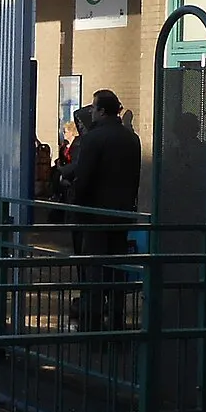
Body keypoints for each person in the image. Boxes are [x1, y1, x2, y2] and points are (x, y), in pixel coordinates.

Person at [66, 89, 142, 328]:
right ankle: (117, 316)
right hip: (121, 213)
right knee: (117, 266)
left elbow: (84, 178)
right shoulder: (131, 138)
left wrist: (76, 203)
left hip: (95, 214)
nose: (91, 113)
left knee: (95, 268)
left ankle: (93, 318)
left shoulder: (94, 139)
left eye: (94, 108)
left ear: (101, 110)